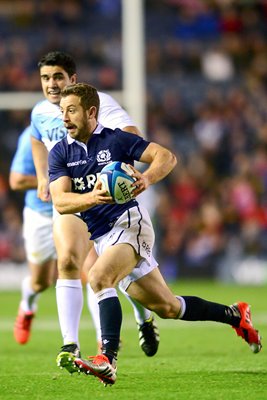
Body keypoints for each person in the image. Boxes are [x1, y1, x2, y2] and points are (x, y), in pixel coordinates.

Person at [48, 83, 262, 386]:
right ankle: (236, 315)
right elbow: (60, 201)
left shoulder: (117, 140)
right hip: (103, 235)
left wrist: (146, 179)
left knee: (98, 277)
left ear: (91, 112)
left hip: (130, 223)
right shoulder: (60, 152)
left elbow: (166, 157)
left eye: (71, 110)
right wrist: (96, 198)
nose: (65, 117)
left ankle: (107, 358)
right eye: (62, 112)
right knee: (168, 307)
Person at [30, 50, 159, 356]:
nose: (51, 84)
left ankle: (143, 318)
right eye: (45, 78)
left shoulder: (98, 103)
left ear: (72, 79)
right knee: (69, 263)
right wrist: (40, 176)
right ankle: (70, 345)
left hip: (104, 194)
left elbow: (130, 134)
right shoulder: (38, 112)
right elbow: (37, 139)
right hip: (72, 193)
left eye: (58, 77)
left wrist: (114, 168)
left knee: (110, 272)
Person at [10, 125, 57, 345]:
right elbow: (16, 180)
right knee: (41, 282)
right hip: (42, 214)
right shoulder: (31, 134)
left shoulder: (85, 129)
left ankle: (104, 341)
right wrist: (51, 182)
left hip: (79, 211)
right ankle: (27, 306)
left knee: (91, 273)